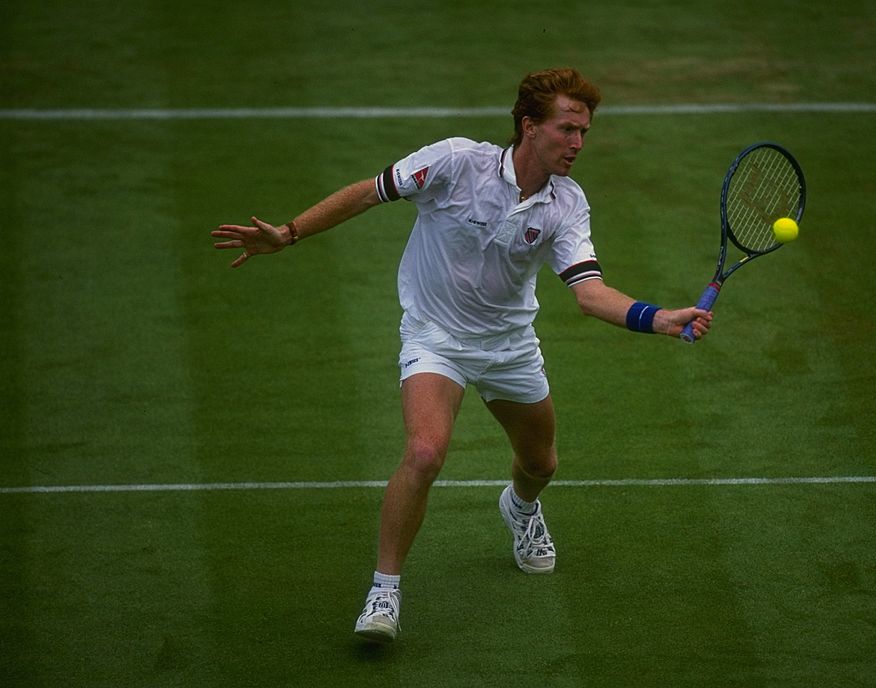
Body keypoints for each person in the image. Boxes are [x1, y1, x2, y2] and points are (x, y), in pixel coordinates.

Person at [212, 67, 712, 644]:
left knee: (541, 464)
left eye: (584, 133)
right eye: (567, 129)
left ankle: (520, 508)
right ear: (529, 126)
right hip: (436, 337)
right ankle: (384, 592)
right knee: (425, 452)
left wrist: (659, 318)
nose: (578, 143)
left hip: (509, 346)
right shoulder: (454, 163)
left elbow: (589, 293)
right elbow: (369, 192)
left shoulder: (567, 204)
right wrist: (289, 233)